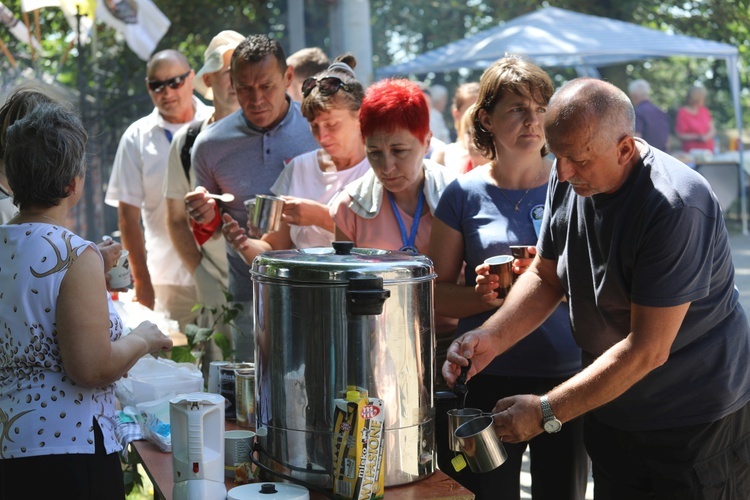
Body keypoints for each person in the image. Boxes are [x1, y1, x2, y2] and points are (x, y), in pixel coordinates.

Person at [444, 77, 750, 498]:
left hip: (692, 422)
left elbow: (647, 349)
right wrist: (491, 337)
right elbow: (545, 276)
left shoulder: (675, 205)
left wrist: (545, 411)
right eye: (558, 155)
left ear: (625, 148)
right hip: (611, 408)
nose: (564, 173)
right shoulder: (569, 172)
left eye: (580, 161)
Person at [428, 57, 587, 500]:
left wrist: (550, 285)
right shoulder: (463, 193)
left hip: (567, 376)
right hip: (486, 374)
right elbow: (434, 295)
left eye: (541, 108)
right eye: (517, 108)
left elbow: (603, 284)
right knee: (486, 495)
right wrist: (486, 297)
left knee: (563, 494)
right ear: (486, 119)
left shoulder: (575, 184)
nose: (533, 121)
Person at [0, 103, 172, 499]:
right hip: (68, 454)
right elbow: (92, 368)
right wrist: (143, 338)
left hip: (11, 443)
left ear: (13, 179)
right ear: (72, 185)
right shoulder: (74, 254)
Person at [185, 34, 318, 362]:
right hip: (249, 294)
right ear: (230, 83)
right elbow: (212, 227)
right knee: (253, 400)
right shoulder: (210, 144)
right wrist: (203, 215)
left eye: (267, 86)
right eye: (244, 87)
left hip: (320, 291)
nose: (256, 98)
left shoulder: (318, 128)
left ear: (288, 77)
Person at [222, 54, 370, 262]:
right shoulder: (299, 168)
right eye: (314, 126)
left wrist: (321, 217)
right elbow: (272, 247)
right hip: (306, 289)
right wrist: (243, 244)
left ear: (360, 116)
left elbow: (386, 246)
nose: (322, 136)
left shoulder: (378, 169)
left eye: (332, 125)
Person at [105, 49, 213, 332]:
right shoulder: (137, 137)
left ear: (191, 78)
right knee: (177, 366)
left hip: (220, 272)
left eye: (175, 81)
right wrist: (143, 282)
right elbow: (127, 217)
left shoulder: (217, 123)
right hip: (166, 278)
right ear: (148, 87)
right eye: (157, 85)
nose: (167, 92)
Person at [164, 30, 244, 369]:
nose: (238, 82)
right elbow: (175, 218)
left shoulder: (273, 133)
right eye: (230, 73)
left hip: (267, 281)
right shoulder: (188, 140)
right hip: (212, 283)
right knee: (218, 379)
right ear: (209, 79)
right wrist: (200, 275)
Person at [0, 86, 124, 281]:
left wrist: (85, 271)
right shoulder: (6, 207)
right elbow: (28, 278)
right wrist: (86, 267)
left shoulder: (13, 206)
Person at [432, 81, 480, 171]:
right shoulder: (443, 155)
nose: (476, 116)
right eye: (470, 110)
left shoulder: (498, 154)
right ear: (456, 114)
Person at [627, 78, 670, 152]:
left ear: (634, 95)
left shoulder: (638, 112)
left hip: (646, 156)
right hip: (662, 155)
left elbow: (636, 139)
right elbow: (667, 140)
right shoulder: (660, 111)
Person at [675, 84, 716, 153]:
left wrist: (707, 137)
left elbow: (712, 129)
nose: (704, 99)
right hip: (691, 153)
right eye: (702, 97)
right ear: (697, 98)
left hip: (708, 152)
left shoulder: (704, 111)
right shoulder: (683, 112)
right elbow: (680, 135)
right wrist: (698, 137)